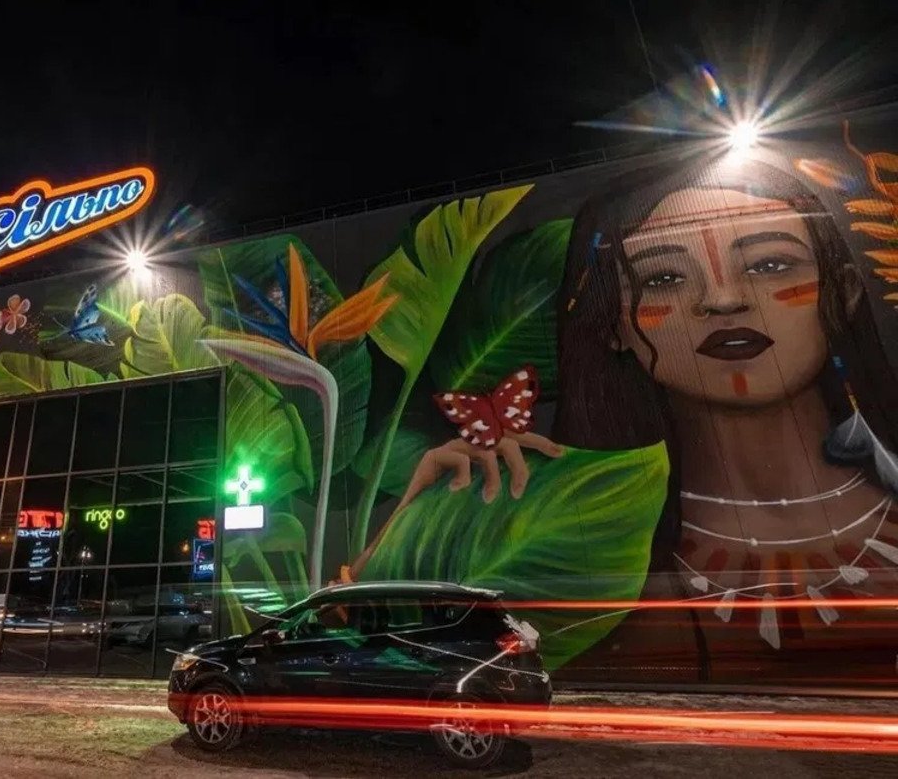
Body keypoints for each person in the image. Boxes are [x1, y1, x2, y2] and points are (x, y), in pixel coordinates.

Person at [346, 151, 898, 684]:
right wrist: (412, 525)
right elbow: (373, 653)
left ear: (845, 292)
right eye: (663, 278)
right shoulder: (565, 527)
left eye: (769, 265)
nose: (723, 299)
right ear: (615, 325)